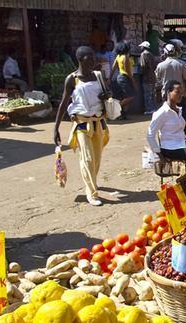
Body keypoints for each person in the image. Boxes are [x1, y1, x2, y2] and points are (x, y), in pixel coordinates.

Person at [53, 46, 109, 206]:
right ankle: (91, 193)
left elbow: (107, 96)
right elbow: (63, 104)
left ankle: (92, 182)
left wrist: (107, 96)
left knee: (97, 159)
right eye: (89, 58)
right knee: (87, 159)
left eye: (93, 57)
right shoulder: (72, 79)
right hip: (82, 124)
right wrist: (55, 128)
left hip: (98, 122)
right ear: (80, 59)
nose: (93, 60)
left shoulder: (98, 76)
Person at [155, 44, 186, 140]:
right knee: (184, 119)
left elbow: (158, 83)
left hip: (167, 97)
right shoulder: (181, 64)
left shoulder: (160, 66)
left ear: (165, 52)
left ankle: (169, 140)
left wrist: (158, 96)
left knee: (166, 121)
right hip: (180, 96)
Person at [110, 42, 136, 119]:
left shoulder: (118, 56)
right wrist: (133, 81)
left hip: (120, 77)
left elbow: (113, 69)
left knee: (126, 96)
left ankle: (123, 114)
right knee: (130, 96)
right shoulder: (125, 57)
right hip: (125, 77)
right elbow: (128, 71)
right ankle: (115, 109)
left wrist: (109, 78)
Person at [139, 41, 157, 115]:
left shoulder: (143, 54)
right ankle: (153, 108)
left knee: (147, 94)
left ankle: (149, 109)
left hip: (146, 77)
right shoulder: (151, 54)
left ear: (144, 47)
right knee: (152, 94)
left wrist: (141, 73)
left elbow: (143, 66)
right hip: (152, 76)